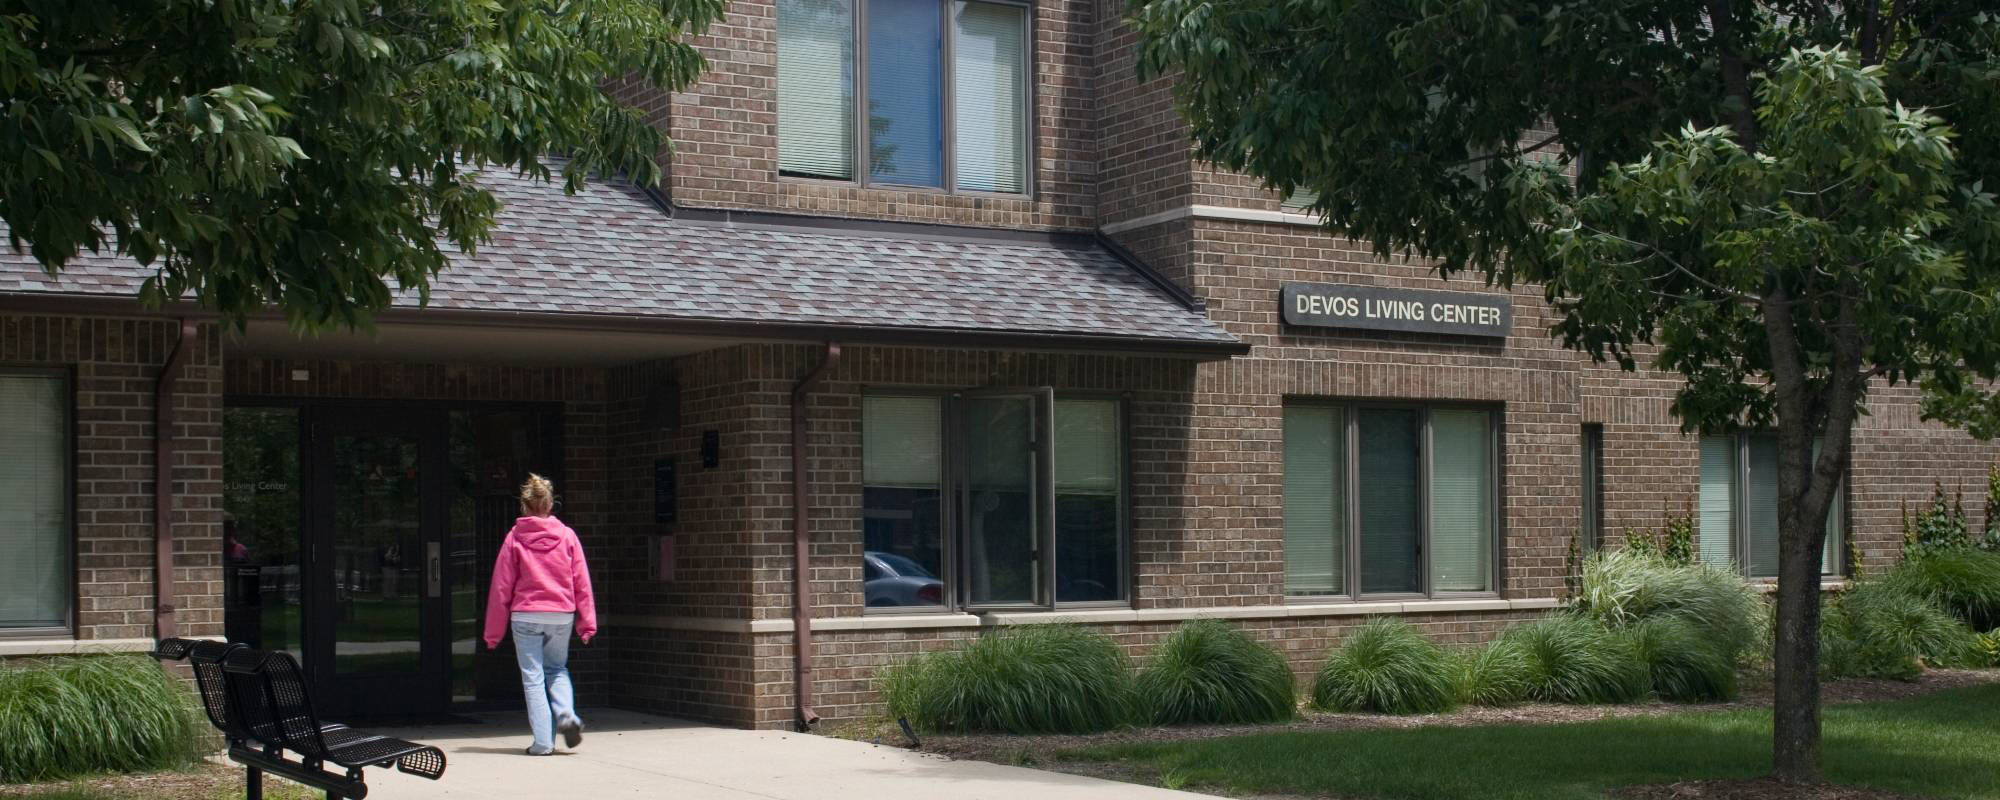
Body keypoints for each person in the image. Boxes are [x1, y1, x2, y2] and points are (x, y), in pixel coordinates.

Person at [482, 473, 597, 755]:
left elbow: (501, 587)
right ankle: (567, 716)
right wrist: (587, 623)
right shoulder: (568, 536)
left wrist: (493, 634)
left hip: (526, 616)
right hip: (561, 613)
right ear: (550, 504)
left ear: (524, 505)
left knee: (533, 677)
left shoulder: (514, 538)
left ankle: (543, 743)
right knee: (557, 669)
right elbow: (581, 581)